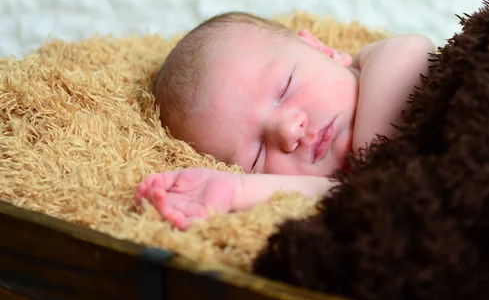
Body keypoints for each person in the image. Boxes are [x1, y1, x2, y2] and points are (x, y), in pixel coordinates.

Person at [135, 12, 434, 230]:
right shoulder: (342, 187)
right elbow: (343, 194)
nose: (289, 130)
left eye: (285, 88)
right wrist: (237, 190)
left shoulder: (381, 63)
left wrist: (372, 165)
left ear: (323, 50)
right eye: (257, 155)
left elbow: (413, 50)